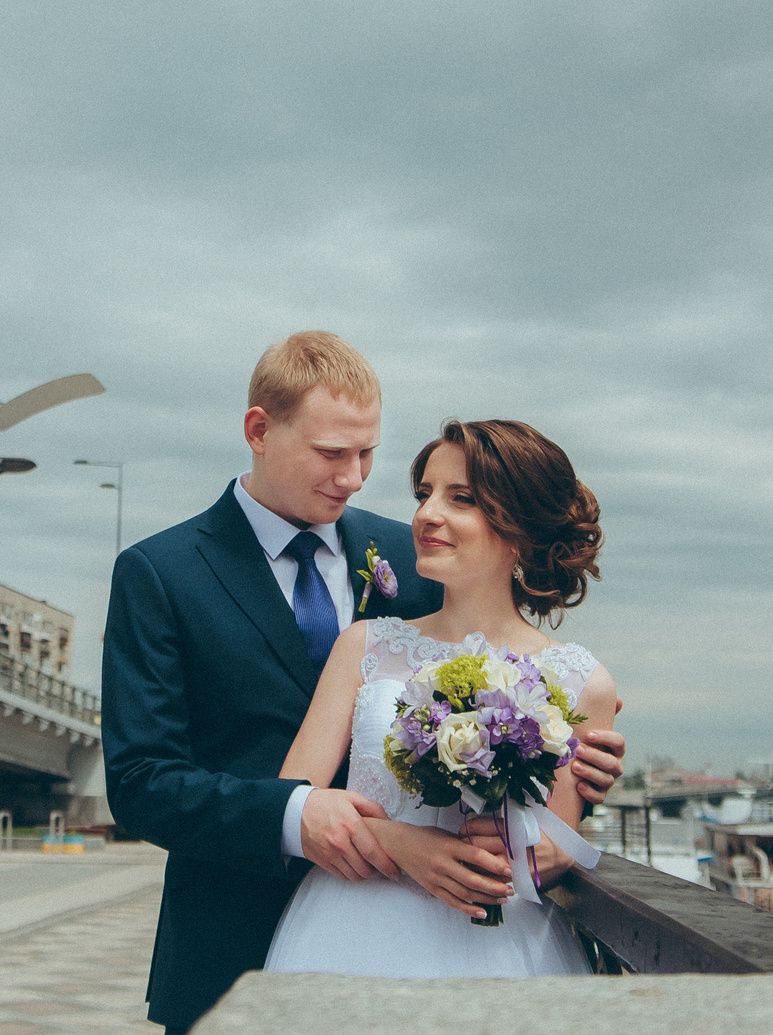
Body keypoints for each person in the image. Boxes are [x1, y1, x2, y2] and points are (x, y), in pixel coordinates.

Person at [104, 334, 626, 1035]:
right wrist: (306, 817)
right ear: (259, 430)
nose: (354, 477)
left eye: (368, 453)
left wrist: (569, 761)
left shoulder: (414, 554)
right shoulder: (161, 572)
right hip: (241, 934)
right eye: (331, 453)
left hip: (469, 933)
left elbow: (518, 738)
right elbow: (142, 781)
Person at [263, 417, 616, 977]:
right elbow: (292, 799)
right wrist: (397, 841)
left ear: (518, 526)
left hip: (502, 951)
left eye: (462, 498)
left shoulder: (582, 681)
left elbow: (548, 851)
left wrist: (539, 850)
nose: (427, 514)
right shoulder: (366, 645)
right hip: (352, 932)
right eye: (425, 493)